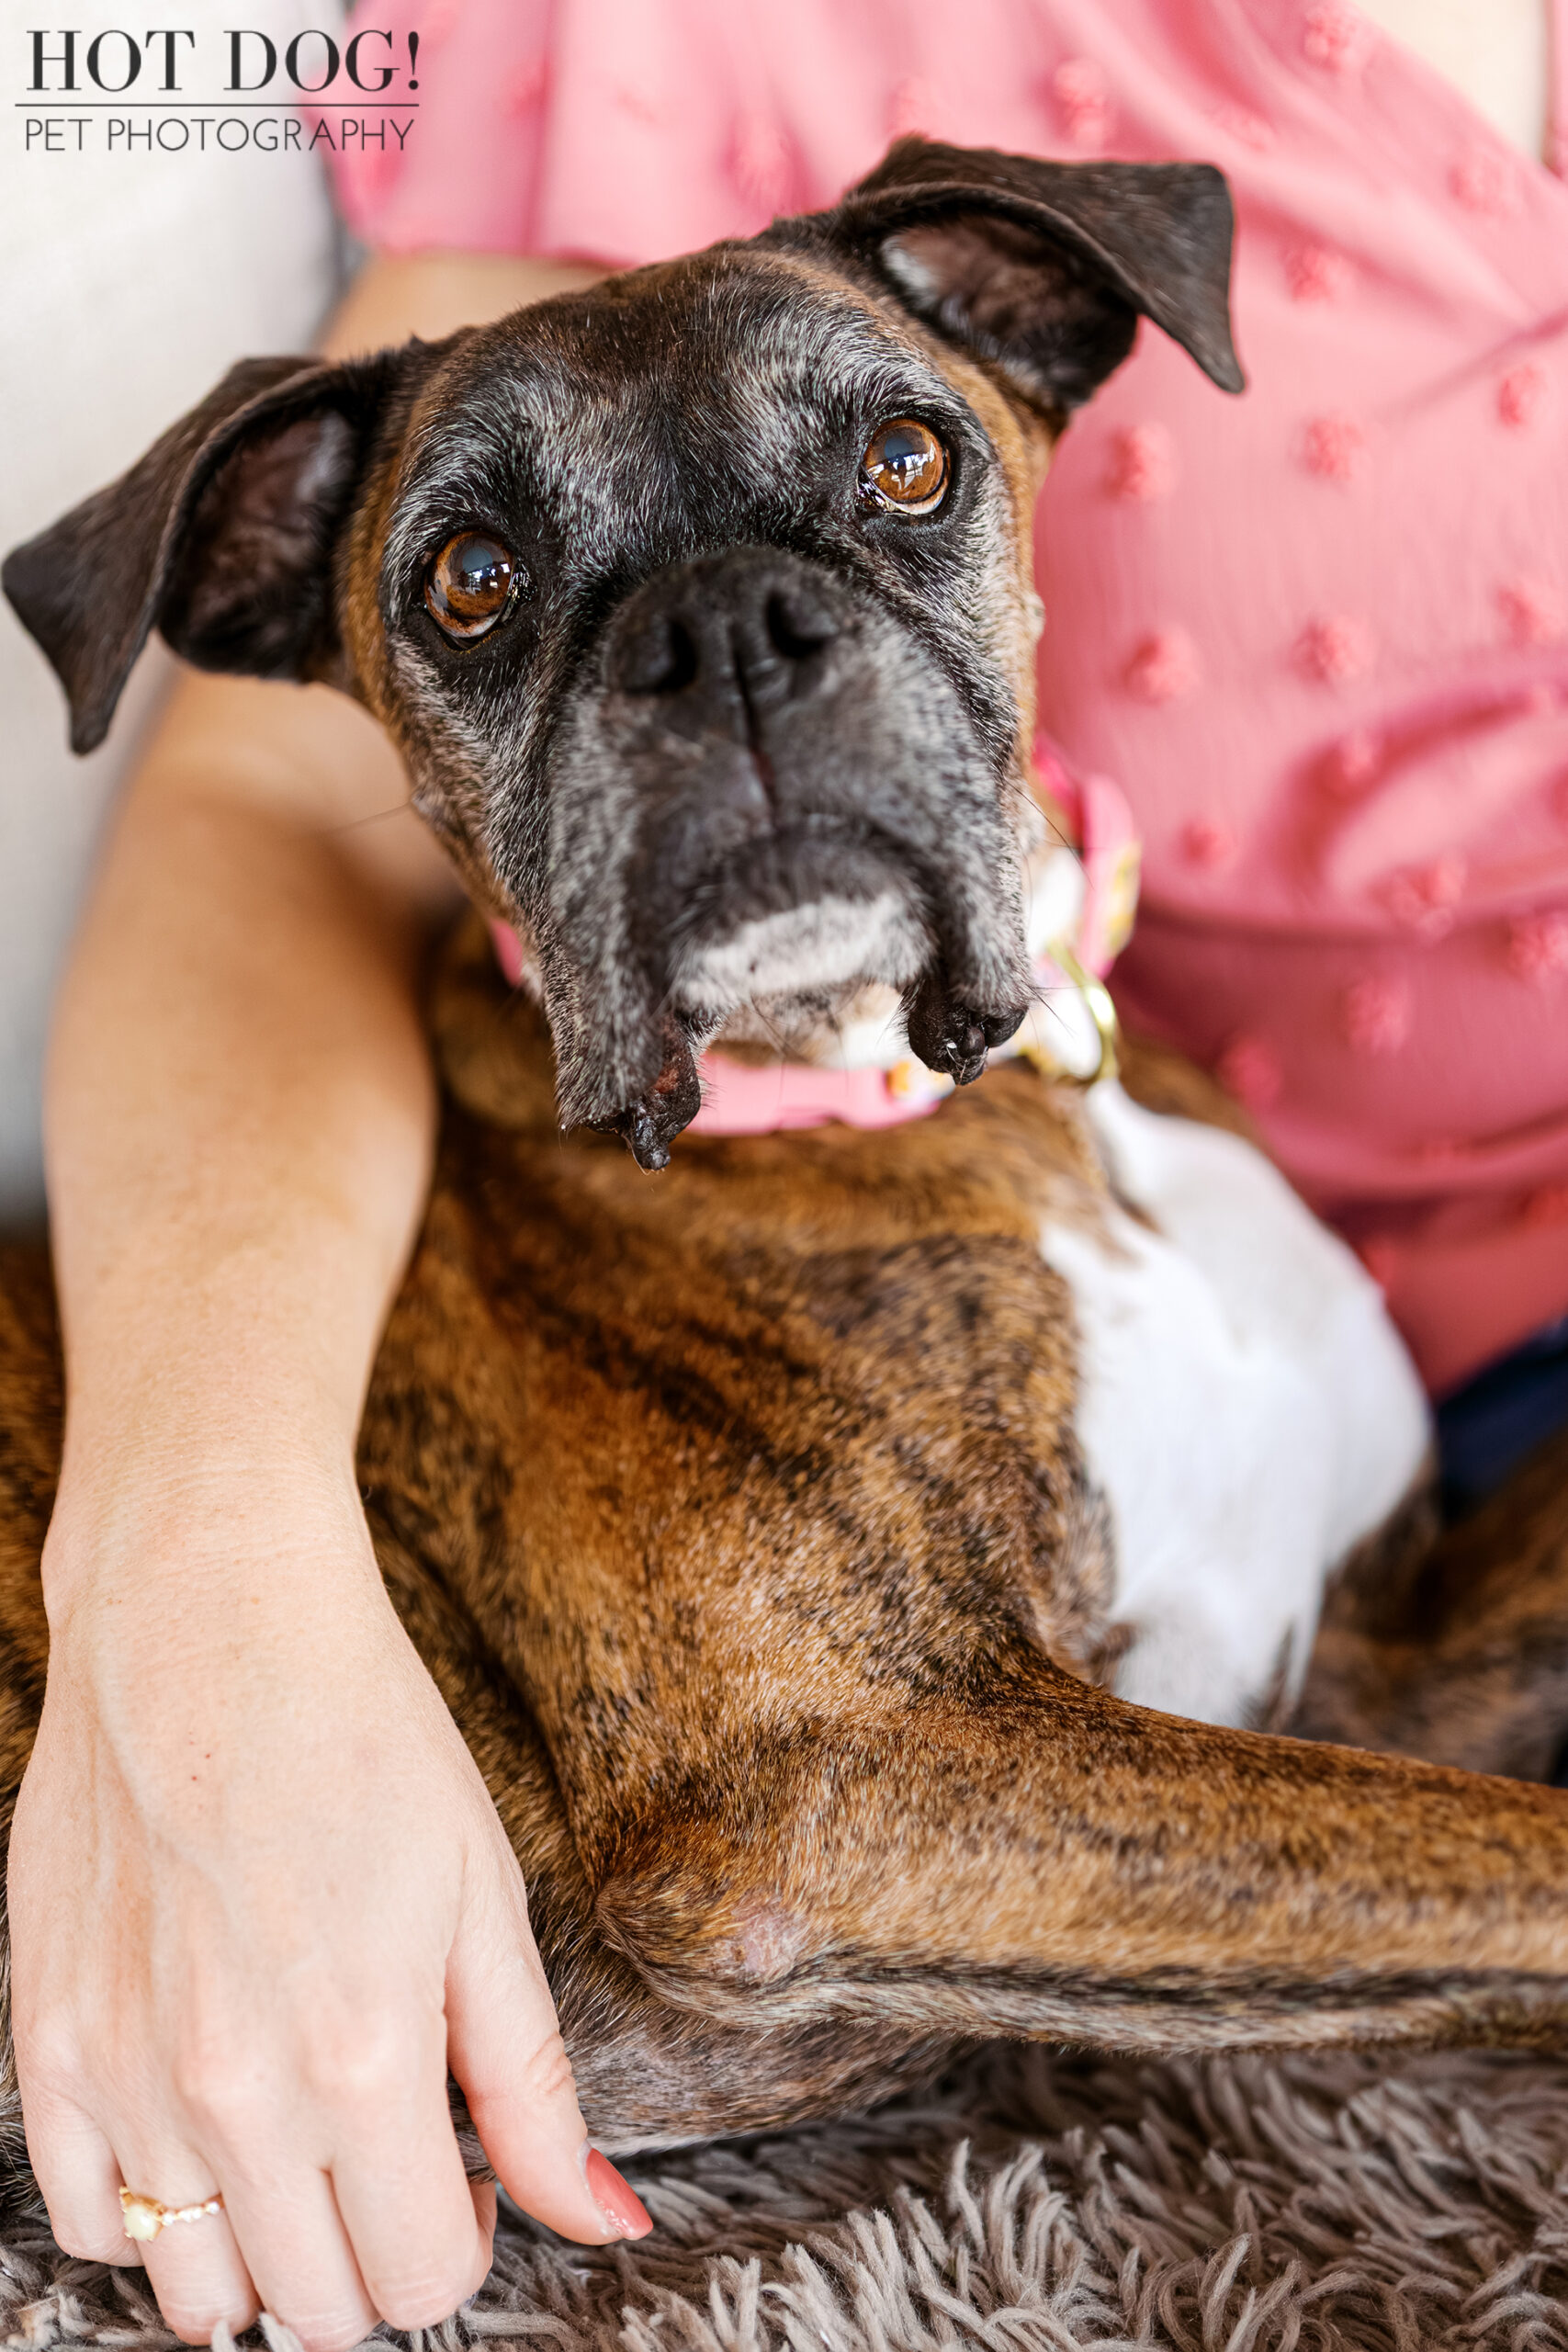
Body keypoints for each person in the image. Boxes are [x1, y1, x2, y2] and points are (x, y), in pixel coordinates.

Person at [15, 0, 1568, 2345]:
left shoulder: (1170, 1166)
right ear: (277, 603)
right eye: (478, 594)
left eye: (896, 481)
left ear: (1044, 347)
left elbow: (1371, 1687)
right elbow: (804, 1834)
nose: (731, 654)